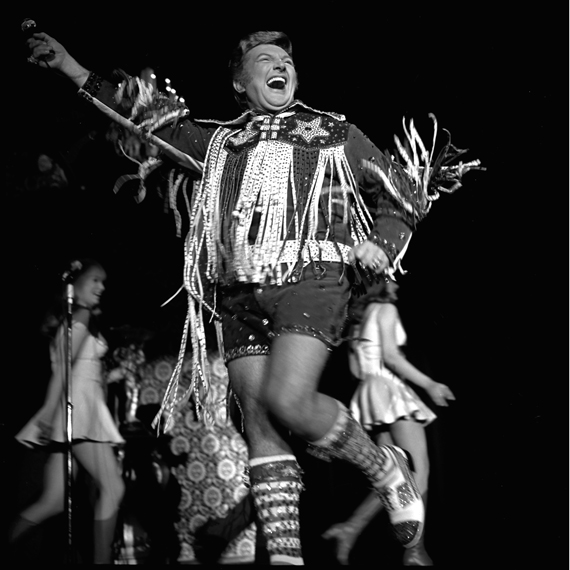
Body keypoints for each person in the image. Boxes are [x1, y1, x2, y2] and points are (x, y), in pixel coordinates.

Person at [25, 30, 482, 565]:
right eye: (266, 59)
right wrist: (71, 69)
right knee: (260, 424)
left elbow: (399, 187)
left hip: (312, 279)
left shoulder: (332, 133)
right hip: (238, 291)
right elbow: (140, 118)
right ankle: (286, 558)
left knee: (289, 401)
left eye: (287, 59)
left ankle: (384, 467)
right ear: (240, 83)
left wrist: (382, 244)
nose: (280, 65)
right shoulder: (219, 145)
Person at [322, 278, 455, 565]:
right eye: (391, 281)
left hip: (369, 395)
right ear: (379, 285)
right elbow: (392, 357)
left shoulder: (356, 321)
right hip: (389, 392)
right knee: (419, 470)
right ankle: (415, 551)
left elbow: (357, 369)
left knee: (391, 476)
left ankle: (350, 529)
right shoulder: (386, 310)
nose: (396, 286)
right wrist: (429, 384)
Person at [10, 258, 125, 564]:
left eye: (104, 282)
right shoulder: (82, 316)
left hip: (72, 412)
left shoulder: (71, 320)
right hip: (79, 414)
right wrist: (48, 414)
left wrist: (107, 377)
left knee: (53, 500)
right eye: (95, 280)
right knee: (113, 489)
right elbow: (63, 372)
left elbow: (75, 369)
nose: (101, 288)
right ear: (74, 284)